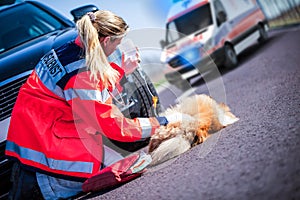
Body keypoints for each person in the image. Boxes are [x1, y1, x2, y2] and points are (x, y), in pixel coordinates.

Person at [5, 10, 190, 200]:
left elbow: (88, 97)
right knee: (129, 167)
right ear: (106, 40)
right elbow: (114, 127)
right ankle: (50, 188)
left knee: (120, 162)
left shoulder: (67, 51)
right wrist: (164, 122)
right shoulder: (83, 73)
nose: (117, 48)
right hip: (45, 155)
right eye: (117, 43)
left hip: (35, 137)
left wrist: (120, 71)